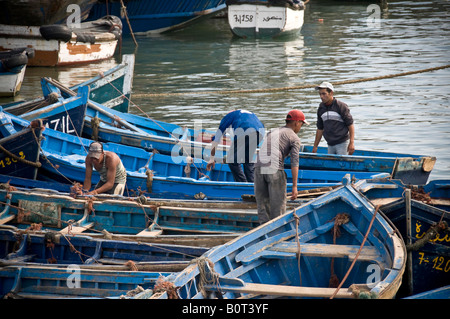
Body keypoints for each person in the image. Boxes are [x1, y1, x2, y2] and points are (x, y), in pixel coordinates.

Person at [254, 110, 308, 224]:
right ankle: (277, 233)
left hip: (258, 167)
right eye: (302, 124)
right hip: (274, 169)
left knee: (263, 206)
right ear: (296, 123)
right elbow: (294, 162)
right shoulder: (294, 137)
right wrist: (294, 186)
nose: (301, 128)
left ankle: (264, 234)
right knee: (277, 207)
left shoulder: (273, 131)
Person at [206, 110, 264, 183]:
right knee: (248, 161)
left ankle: (242, 184)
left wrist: (211, 159)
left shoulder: (228, 117)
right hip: (260, 133)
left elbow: (217, 138)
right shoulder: (247, 114)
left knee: (231, 160)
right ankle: (252, 185)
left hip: (244, 130)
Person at [312, 82, 355, 155]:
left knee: (342, 165)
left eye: (324, 94)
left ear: (331, 93)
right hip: (330, 144)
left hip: (342, 143)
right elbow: (320, 129)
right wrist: (315, 146)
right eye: (320, 94)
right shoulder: (321, 108)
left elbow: (350, 125)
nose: (321, 96)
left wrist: (351, 143)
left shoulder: (340, 106)